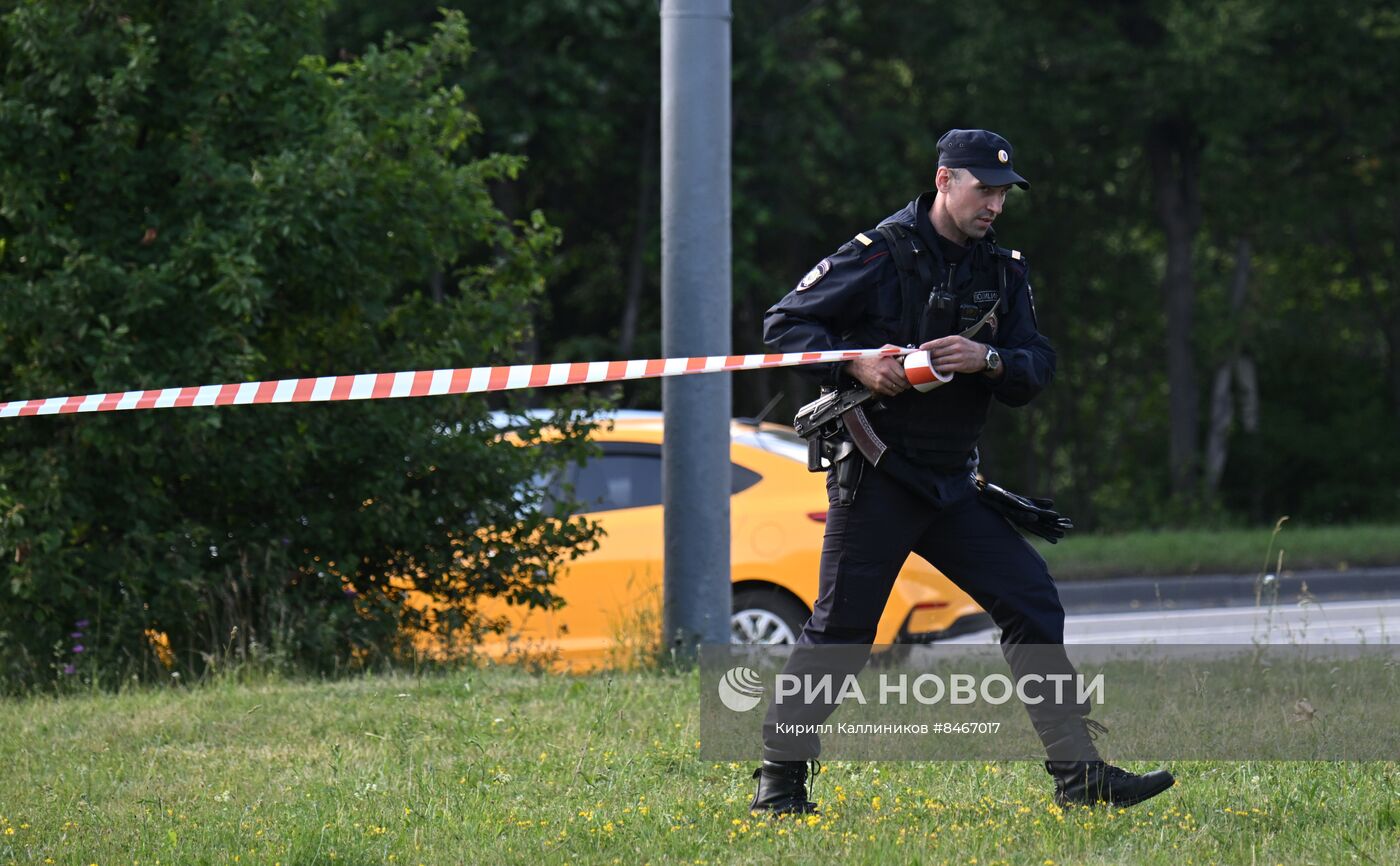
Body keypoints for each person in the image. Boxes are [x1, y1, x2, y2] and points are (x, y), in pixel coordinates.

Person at [749, 129, 1174, 813]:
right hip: (878, 473)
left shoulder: (1002, 269)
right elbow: (785, 325)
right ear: (945, 180)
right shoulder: (880, 253)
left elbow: (1037, 363)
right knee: (843, 633)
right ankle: (779, 787)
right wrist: (854, 362)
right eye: (985, 189)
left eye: (1004, 193)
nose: (996, 205)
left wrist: (992, 361)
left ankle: (1079, 778)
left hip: (953, 483)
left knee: (1030, 597)